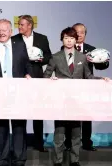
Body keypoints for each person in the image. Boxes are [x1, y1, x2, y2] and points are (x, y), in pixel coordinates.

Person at [44, 27, 109, 166]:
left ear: (76, 40)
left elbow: (88, 76)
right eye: (66, 38)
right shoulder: (55, 57)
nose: (69, 41)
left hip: (77, 101)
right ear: (62, 39)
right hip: (60, 101)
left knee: (76, 133)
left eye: (72, 38)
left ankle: (75, 161)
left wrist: (101, 79)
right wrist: (51, 79)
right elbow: (46, 76)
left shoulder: (82, 57)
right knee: (59, 133)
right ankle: (58, 161)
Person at [0, 19, 32, 166]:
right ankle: (1, 159)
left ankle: (19, 158)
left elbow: (27, 64)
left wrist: (28, 74)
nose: (1, 32)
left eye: (4, 30)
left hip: (18, 92)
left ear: (10, 32)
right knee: (1, 128)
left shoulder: (20, 45)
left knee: (19, 126)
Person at [62, 23, 109, 152]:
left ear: (85, 35)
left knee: (87, 116)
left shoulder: (92, 49)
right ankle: (68, 143)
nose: (79, 35)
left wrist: (104, 61)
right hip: (70, 87)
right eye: (76, 32)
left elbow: (100, 66)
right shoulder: (66, 47)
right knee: (70, 116)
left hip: (87, 87)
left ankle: (87, 143)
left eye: (82, 32)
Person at [14, 14, 52, 152]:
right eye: (18, 24)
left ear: (29, 25)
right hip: (20, 78)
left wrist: (40, 59)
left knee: (38, 112)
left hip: (37, 77)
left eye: (22, 24)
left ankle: (38, 143)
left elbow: (49, 56)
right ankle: (20, 144)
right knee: (20, 113)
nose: (19, 27)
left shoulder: (42, 38)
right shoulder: (14, 40)